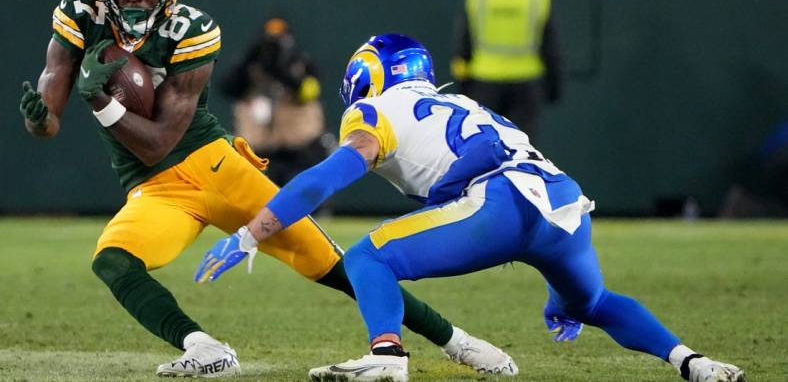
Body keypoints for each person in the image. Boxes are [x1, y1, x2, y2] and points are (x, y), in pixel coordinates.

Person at [17, 0, 515, 378]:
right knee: (113, 262)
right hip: (154, 188)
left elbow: (159, 142)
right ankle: (205, 348)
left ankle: (459, 342)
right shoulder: (80, 14)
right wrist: (40, 116)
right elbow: (49, 120)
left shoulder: (192, 28)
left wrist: (103, 103)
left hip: (215, 168)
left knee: (335, 267)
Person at [197, 34, 747, 382]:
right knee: (592, 301)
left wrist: (253, 231)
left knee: (368, 256)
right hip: (562, 205)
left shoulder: (376, 110)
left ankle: (387, 356)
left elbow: (327, 176)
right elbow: (501, 158)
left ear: (367, 76)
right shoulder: (458, 101)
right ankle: (693, 363)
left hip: (501, 201)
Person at [451, 0, 562, 141]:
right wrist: (554, 86)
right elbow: (551, 48)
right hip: (525, 85)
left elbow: (463, 45)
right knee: (522, 146)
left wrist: (463, 82)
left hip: (484, 82)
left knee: (481, 142)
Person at [219, 17, 334, 186]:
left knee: (302, 196)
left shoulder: (301, 63)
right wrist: (249, 59)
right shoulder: (250, 66)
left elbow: (310, 92)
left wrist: (284, 73)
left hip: (300, 148)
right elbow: (227, 89)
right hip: (260, 150)